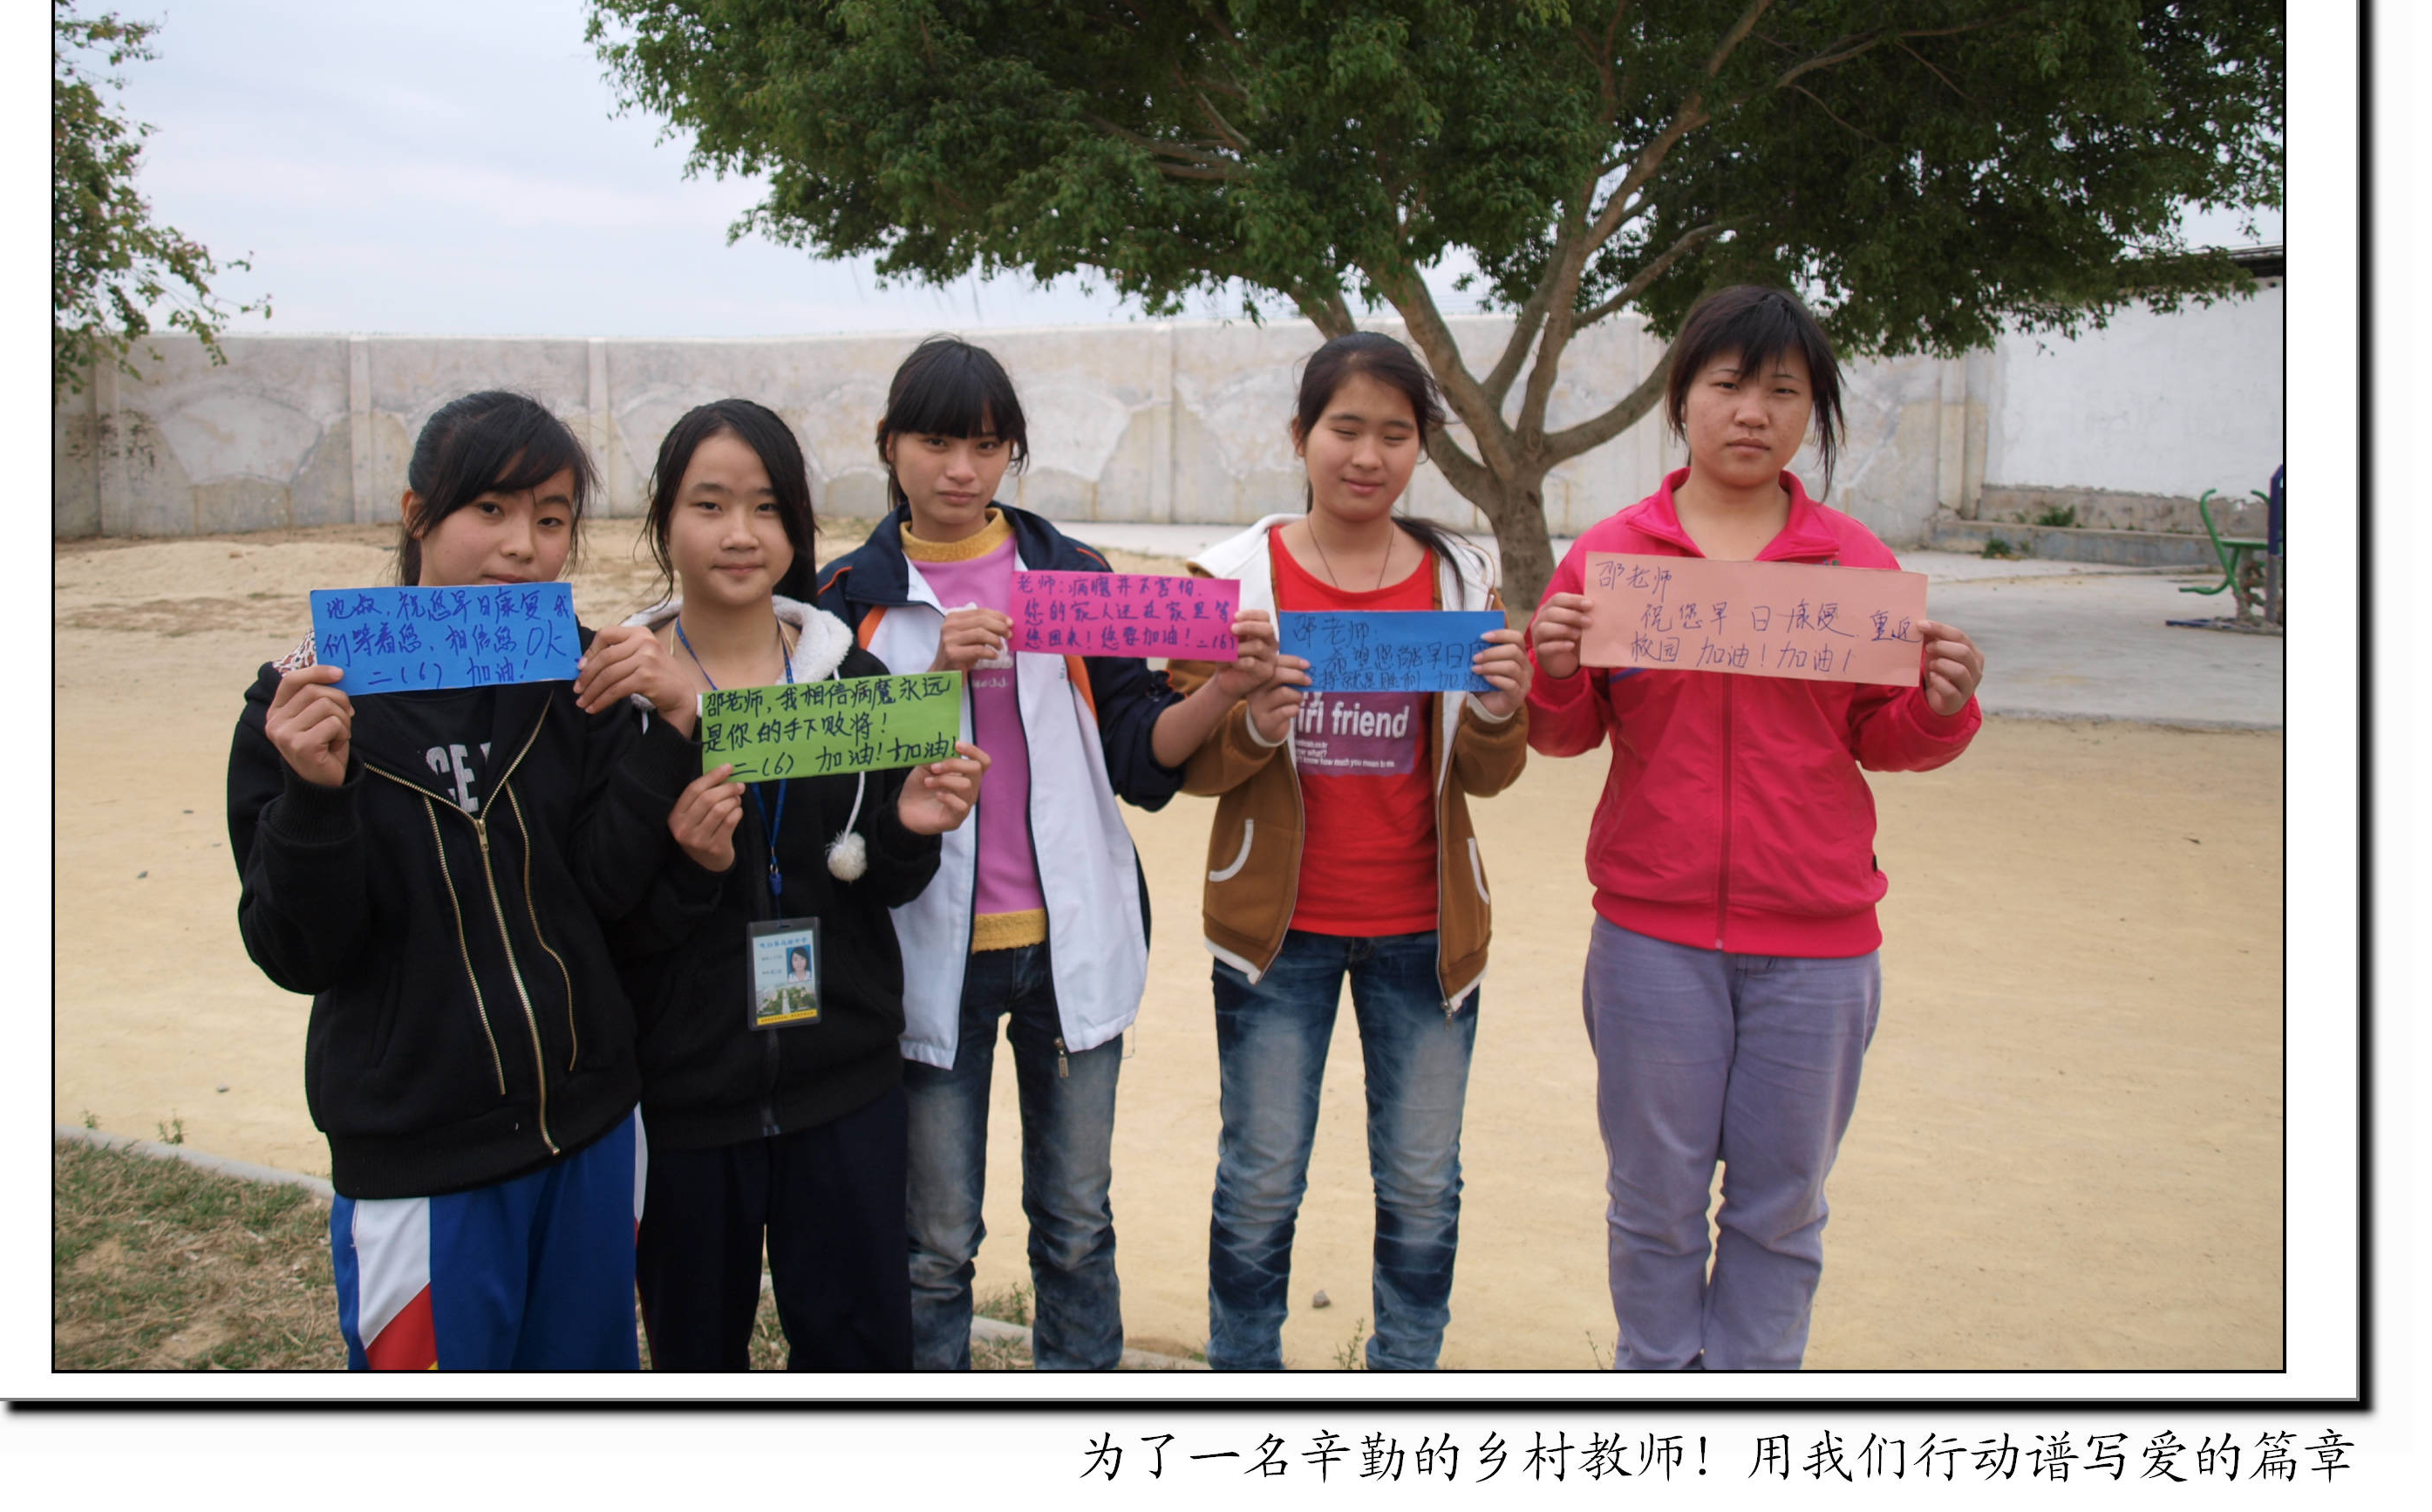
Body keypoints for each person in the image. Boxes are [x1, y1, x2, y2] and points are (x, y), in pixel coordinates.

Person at [1526, 283, 1987, 1372]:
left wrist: (1940, 706)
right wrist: (1555, 671)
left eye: (1782, 391)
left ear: (1809, 412)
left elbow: (1884, 737)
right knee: (1653, 1202)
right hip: (1651, 939)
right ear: (1681, 398)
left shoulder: (1854, 566)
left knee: (1781, 1208)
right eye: (1727, 384)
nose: (1752, 411)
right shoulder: (1611, 559)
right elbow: (1565, 733)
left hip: (1819, 947)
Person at [814, 336, 1276, 1371]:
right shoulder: (843, 595)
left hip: (1069, 951)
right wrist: (929, 678)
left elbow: (1137, 757)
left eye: (986, 446)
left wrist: (1221, 690)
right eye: (935, 443)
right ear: (888, 446)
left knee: (1075, 1228)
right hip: (920, 956)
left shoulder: (1071, 575)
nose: (960, 470)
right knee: (935, 1245)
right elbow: (829, 778)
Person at [229, 390, 704, 1371]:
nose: (523, 546)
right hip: (422, 1164)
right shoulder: (302, 706)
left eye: (551, 519)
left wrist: (670, 733)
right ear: (417, 515)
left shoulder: (579, 683)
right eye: (490, 509)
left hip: (593, 1133)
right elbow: (299, 954)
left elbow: (606, 895)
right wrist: (314, 799)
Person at [575, 398, 990, 1371]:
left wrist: (909, 828)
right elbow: (599, 905)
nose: (740, 533)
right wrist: (693, 864)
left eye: (767, 508)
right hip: (685, 1102)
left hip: (845, 1092)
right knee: (694, 1357)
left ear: (797, 527)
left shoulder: (856, 683)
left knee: (859, 1355)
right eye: (709, 504)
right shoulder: (614, 695)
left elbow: (880, 881)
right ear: (664, 520)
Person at [1171, 331, 1534, 1371]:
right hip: (1273, 936)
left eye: (1394, 433)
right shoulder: (1232, 580)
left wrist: (1499, 708)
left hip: (1426, 935)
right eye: (1344, 428)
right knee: (1259, 1181)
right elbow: (1189, 765)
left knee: (1421, 1184)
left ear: (1420, 447)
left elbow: (1488, 772)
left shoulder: (1462, 577)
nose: (1367, 455)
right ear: (1301, 435)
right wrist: (1252, 720)